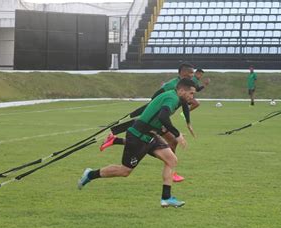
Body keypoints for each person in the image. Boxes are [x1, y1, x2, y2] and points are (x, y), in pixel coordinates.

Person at [77, 78, 197, 208]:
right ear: (181, 90)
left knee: (171, 160)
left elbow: (169, 113)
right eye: (191, 93)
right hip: (138, 136)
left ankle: (166, 198)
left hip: (150, 135)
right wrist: (177, 134)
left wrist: (184, 126)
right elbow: (163, 116)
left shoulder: (176, 97)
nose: (192, 97)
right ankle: (90, 174)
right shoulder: (171, 98)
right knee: (124, 171)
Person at [100, 63, 196, 183]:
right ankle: (171, 171)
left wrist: (188, 122)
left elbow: (185, 104)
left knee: (157, 142)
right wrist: (153, 109)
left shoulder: (186, 87)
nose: (193, 75)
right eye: (191, 73)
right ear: (183, 73)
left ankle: (116, 140)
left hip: (159, 119)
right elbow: (155, 97)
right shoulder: (172, 85)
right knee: (170, 140)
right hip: (156, 119)